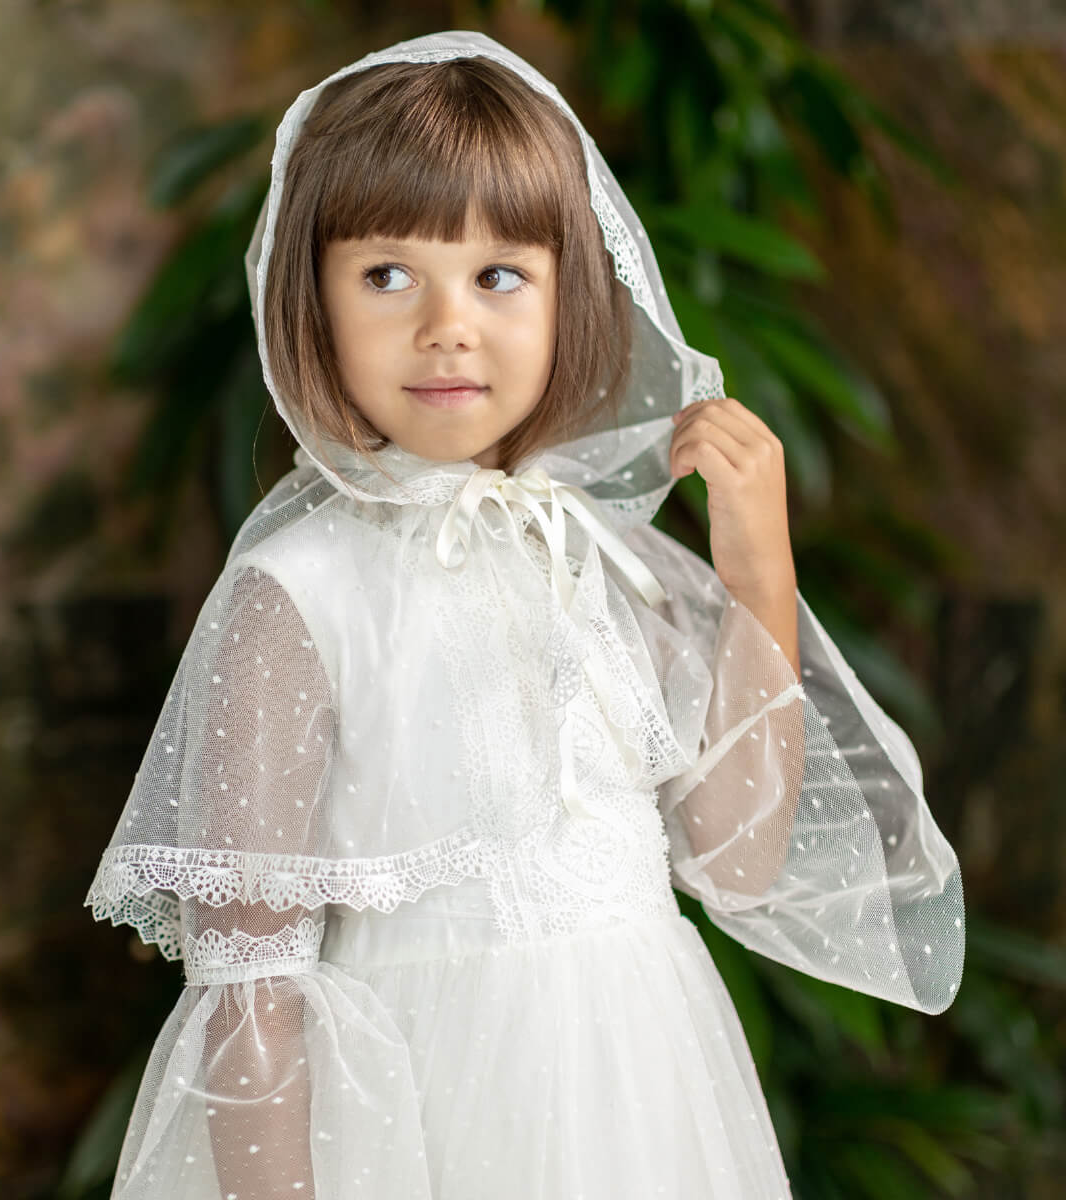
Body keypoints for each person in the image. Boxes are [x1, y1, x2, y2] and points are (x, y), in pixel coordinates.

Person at [83, 30, 965, 1200]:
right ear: (313, 300)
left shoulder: (605, 558)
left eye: (500, 275)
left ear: (571, 297)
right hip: (420, 1117)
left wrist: (759, 573)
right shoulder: (297, 592)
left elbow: (741, 862)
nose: (448, 325)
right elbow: (250, 980)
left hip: (645, 1105)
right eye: (387, 275)